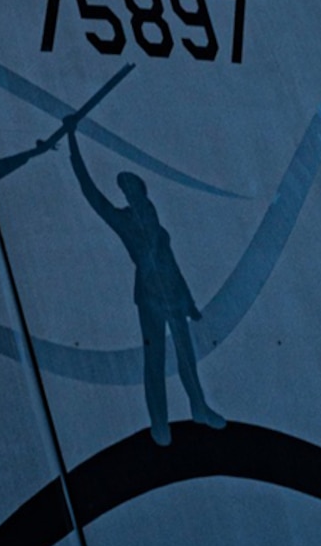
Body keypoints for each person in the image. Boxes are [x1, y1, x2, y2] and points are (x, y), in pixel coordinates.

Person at [67, 130, 226, 445]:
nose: (129, 191)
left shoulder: (155, 222)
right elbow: (91, 193)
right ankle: (159, 423)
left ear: (142, 191)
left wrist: (189, 301)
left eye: (133, 186)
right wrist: (72, 145)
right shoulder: (123, 221)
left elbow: (172, 261)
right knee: (155, 360)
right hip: (150, 297)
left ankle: (199, 408)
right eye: (125, 188)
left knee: (186, 357)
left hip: (174, 297)